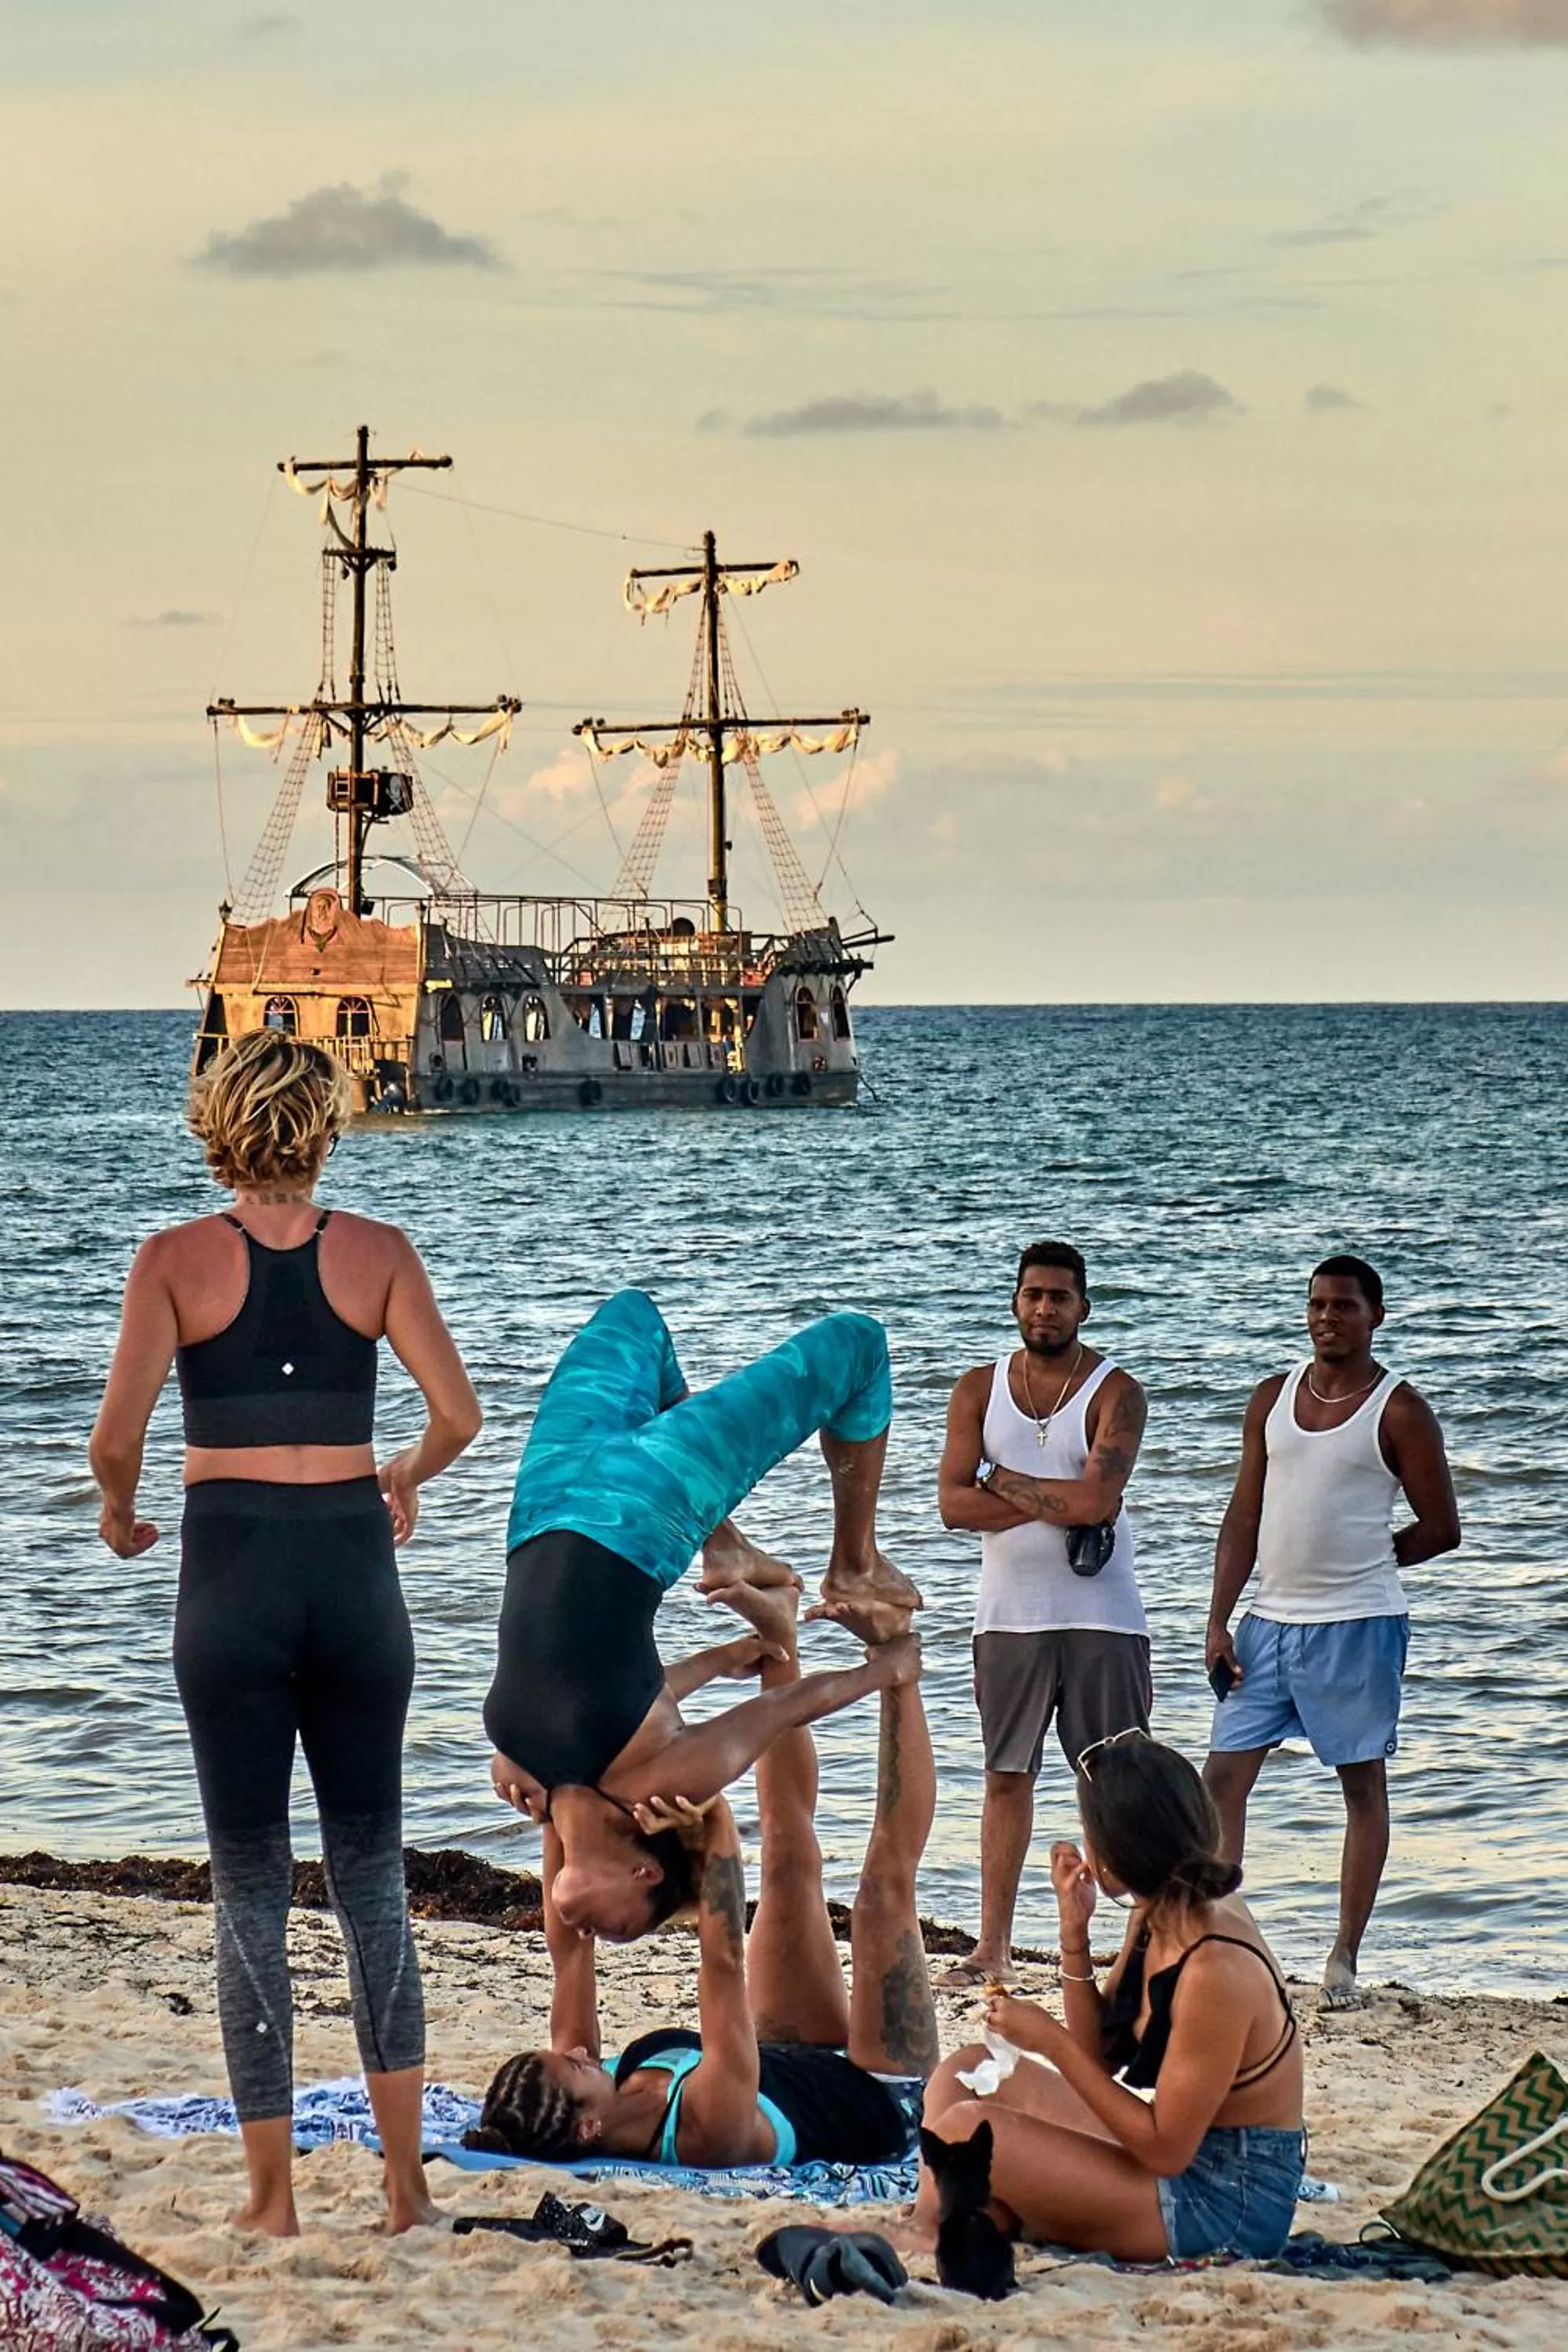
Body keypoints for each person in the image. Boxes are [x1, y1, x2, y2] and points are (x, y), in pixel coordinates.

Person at [88, 1029, 481, 2238]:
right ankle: (406, 2188)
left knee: (249, 1892)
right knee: (374, 1885)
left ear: (220, 1120)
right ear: (325, 1126)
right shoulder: (379, 1255)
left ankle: (273, 2202)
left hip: (234, 1581)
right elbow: (457, 1414)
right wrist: (402, 1474)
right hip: (357, 1581)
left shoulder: (171, 1262)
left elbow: (116, 1439)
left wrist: (117, 1513)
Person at [485, 1287, 921, 1942]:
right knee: (858, 1345)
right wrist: (885, 1670)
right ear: (645, 1877)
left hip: (542, 1497)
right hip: (648, 1503)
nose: (606, 1936)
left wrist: (723, 1659)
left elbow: (607, 1686)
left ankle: (729, 1547)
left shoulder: (526, 1779)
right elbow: (779, 1711)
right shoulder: (662, 1780)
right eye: (626, 1931)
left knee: (632, 1314)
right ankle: (851, 1561)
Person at [467, 1581, 938, 2167]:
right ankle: (901, 1668)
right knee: (881, 1893)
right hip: (885, 2098)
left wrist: (555, 1810)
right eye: (576, 2067)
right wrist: (711, 1817)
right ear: (589, 2130)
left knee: (788, 1862)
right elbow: (722, 1963)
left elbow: (569, 1951)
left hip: (789, 2054)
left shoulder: (585, 2096)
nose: (587, 2055)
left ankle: (778, 1640)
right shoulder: (706, 2130)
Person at [918, 1730, 1305, 2262]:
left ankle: (930, 2228)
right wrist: (1074, 1934)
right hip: (1175, 2159)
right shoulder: (1159, 1907)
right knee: (965, 2073)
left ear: (1118, 1851)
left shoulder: (1215, 1966)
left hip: (1224, 2203)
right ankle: (970, 2212)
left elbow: (1166, 2149)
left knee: (963, 2130)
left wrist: (1050, 2043)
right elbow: (1100, 2053)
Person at [1203, 1254, 1460, 2008]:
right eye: (1316, 1304)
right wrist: (1218, 1619)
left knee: (1360, 1786)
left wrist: (1370, 1560)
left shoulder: (1399, 1409)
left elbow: (1442, 1528)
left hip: (1357, 1626)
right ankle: (1226, 1933)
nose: (1327, 1318)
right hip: (1267, 1624)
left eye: (1344, 1306)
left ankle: (1344, 1954)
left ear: (1374, 1315)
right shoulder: (1271, 1398)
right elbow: (1243, 1516)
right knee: (1221, 1780)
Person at [935, 1240, 1150, 1987]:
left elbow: (1097, 1502)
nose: (1046, 1308)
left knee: (1117, 1781)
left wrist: (1002, 1479)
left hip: (1104, 1617)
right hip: (1008, 1618)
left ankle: (1141, 1945)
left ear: (1084, 1305)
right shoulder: (977, 1390)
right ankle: (991, 1947)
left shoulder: (1115, 1393)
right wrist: (1046, 1498)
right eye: (1034, 1294)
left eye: (1060, 1296)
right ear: (1015, 1301)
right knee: (1004, 1777)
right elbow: (952, 1506)